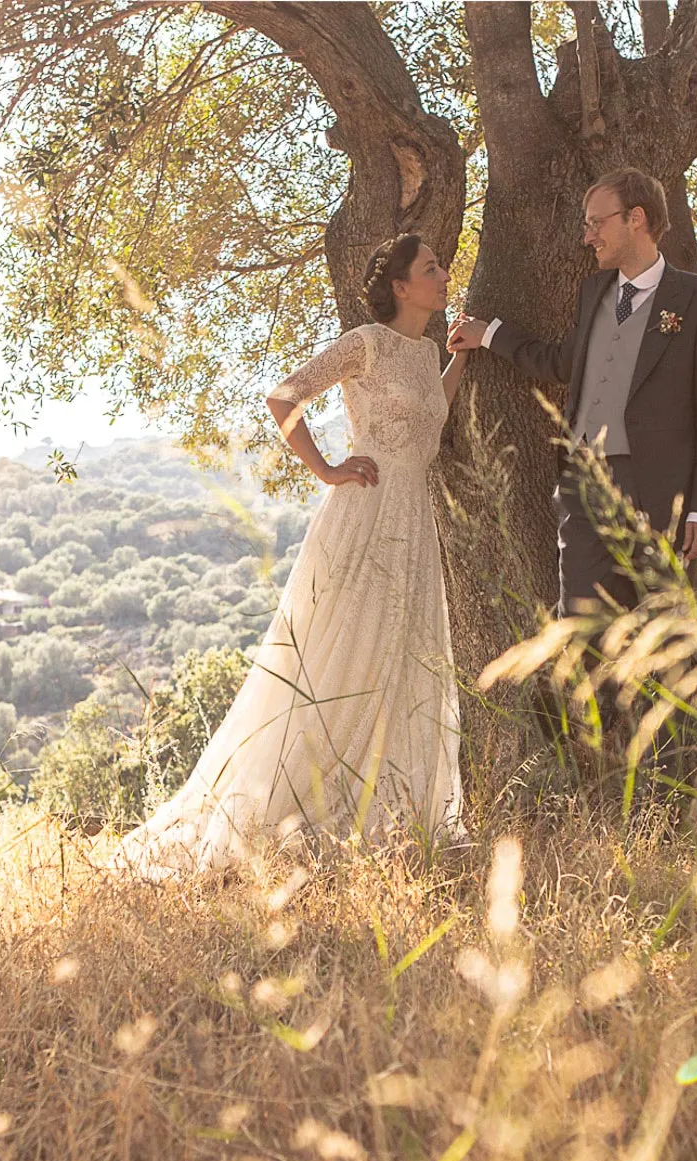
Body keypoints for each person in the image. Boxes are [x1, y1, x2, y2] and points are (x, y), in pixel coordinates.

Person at [116, 234, 470, 877]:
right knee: (343, 653)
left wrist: (458, 362)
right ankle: (299, 806)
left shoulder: (424, 354)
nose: (443, 275)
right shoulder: (365, 342)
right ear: (400, 286)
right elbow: (283, 397)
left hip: (414, 520)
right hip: (364, 513)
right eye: (431, 268)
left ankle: (389, 814)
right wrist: (328, 469)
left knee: (399, 656)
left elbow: (429, 423)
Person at [447, 167, 697, 615]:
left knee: (658, 637)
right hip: (583, 487)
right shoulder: (593, 292)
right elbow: (564, 364)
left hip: (656, 492)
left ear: (635, 218)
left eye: (596, 223)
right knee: (580, 628)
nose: (588, 236)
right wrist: (489, 335)